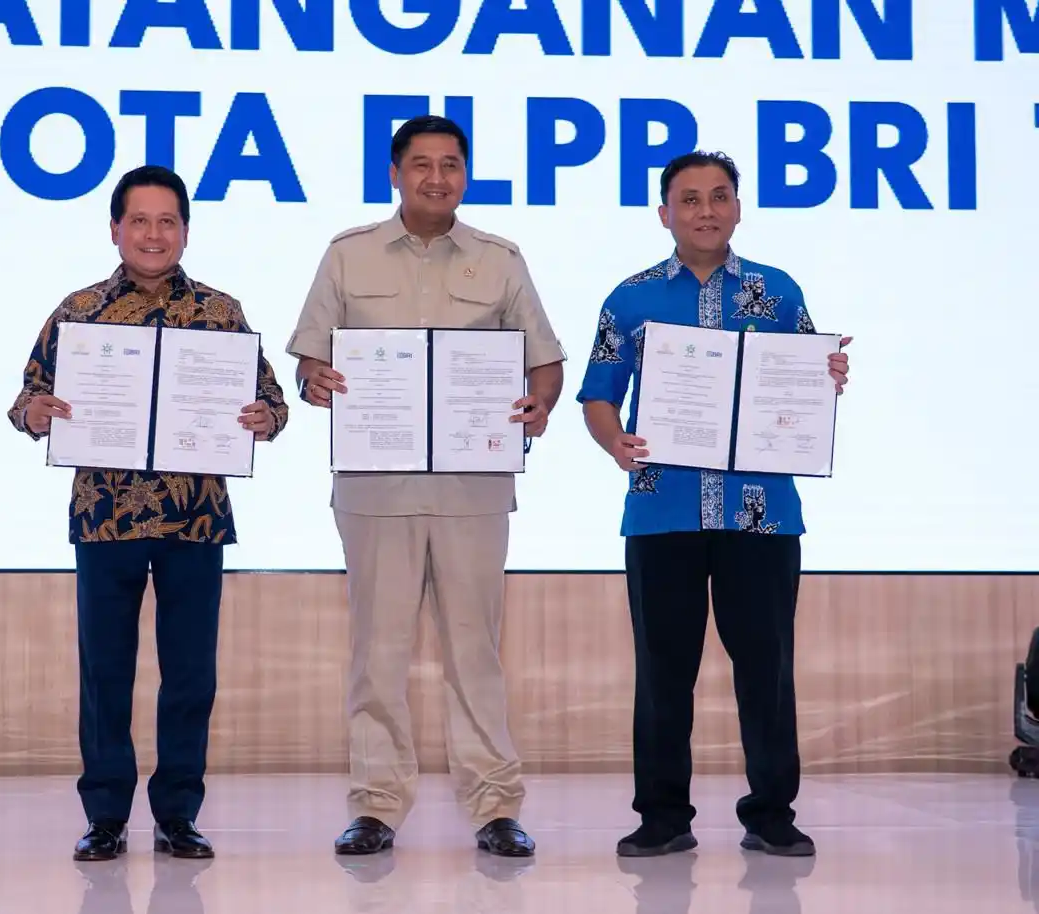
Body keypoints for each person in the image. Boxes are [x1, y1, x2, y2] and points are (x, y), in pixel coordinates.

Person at [286, 115, 566, 858]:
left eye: (450, 165)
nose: (436, 178)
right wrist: (315, 382)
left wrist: (539, 404)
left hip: (474, 491)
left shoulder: (501, 260)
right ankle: (376, 805)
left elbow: (544, 360)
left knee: (477, 652)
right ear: (395, 173)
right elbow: (310, 360)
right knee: (377, 653)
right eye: (421, 165)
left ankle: (494, 806)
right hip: (376, 491)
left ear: (465, 175)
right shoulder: (348, 256)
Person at [7, 164, 289, 862]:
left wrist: (263, 416)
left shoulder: (221, 312)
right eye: (140, 220)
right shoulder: (78, 311)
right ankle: (105, 815)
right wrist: (36, 413)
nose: (154, 234)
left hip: (195, 521)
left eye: (168, 222)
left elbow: (274, 403)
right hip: (106, 520)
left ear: (185, 231)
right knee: (106, 672)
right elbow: (26, 399)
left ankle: (177, 814)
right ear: (115, 228)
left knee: (190, 674)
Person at [576, 150, 851, 859]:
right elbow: (598, 394)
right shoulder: (631, 298)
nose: (705, 211)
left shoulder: (778, 292)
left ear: (738, 208)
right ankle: (663, 816)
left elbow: (802, 387)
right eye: (689, 199)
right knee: (662, 669)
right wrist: (615, 444)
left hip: (760, 514)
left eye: (719, 197)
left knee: (766, 667)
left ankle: (771, 814)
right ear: (664, 213)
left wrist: (827, 377)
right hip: (661, 508)